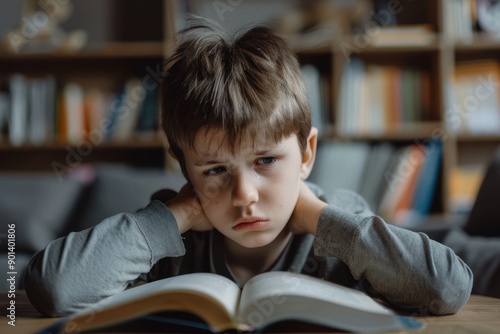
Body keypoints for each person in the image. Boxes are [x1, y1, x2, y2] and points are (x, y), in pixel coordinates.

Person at [24, 17, 473, 318]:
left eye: (267, 161)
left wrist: (317, 216)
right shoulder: (167, 233)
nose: (245, 195)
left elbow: (447, 288)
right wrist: (176, 214)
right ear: (186, 172)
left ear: (307, 153)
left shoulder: (339, 223)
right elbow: (54, 289)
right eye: (215, 171)